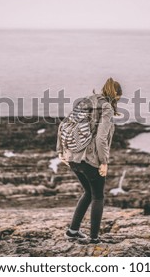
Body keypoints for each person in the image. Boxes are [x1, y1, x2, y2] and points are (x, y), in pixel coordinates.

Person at [56, 77, 122, 244]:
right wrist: (104, 162)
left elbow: (64, 124)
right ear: (116, 96)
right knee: (98, 196)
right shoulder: (105, 107)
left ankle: (73, 231)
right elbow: (101, 139)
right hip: (88, 159)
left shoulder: (86, 101)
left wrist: (60, 151)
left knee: (88, 192)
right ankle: (94, 238)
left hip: (72, 158)